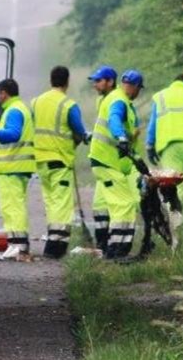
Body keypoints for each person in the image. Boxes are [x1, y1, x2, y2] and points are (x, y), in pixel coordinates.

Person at [31, 66, 88, 258]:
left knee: (51, 201)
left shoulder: (36, 102)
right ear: (67, 82)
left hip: (40, 160)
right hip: (60, 159)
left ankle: (52, 240)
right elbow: (80, 132)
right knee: (62, 203)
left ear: (51, 80)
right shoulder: (68, 105)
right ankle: (56, 247)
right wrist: (76, 142)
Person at [0, 79, 35, 261]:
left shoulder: (14, 110)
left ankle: (19, 245)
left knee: (14, 207)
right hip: (13, 167)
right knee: (12, 207)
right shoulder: (17, 108)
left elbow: (13, 134)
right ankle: (15, 243)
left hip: (13, 167)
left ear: (5, 93)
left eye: (0, 93)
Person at [88, 69, 144, 258]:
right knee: (125, 203)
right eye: (139, 89)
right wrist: (121, 137)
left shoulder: (117, 98)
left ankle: (107, 247)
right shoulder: (119, 101)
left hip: (103, 161)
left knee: (109, 203)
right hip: (106, 161)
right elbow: (114, 119)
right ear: (135, 87)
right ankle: (118, 250)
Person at [145, 74, 183, 201]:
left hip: (168, 148)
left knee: (173, 186)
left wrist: (150, 146)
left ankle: (177, 218)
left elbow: (153, 124)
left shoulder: (161, 96)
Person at [86, 65, 118, 252]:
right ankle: (102, 244)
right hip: (102, 160)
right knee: (99, 204)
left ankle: (115, 244)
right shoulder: (102, 101)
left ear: (110, 82)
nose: (95, 85)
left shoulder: (116, 101)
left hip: (113, 161)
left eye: (98, 81)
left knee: (116, 204)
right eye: (95, 81)